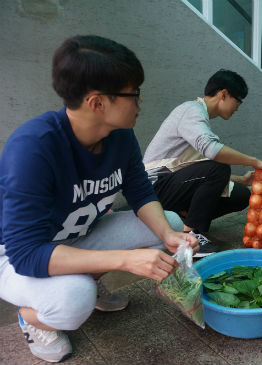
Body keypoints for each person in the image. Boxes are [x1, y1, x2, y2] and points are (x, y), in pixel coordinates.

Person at [0, 35, 199, 363]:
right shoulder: (33, 149)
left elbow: (139, 190)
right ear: (97, 103)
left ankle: (87, 277)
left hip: (75, 236)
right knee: (75, 298)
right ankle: (32, 317)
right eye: (134, 94)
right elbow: (27, 253)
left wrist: (167, 235)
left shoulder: (119, 135)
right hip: (15, 255)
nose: (139, 104)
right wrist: (123, 260)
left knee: (172, 224)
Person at [143, 69, 262, 256]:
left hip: (171, 184)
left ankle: (181, 216)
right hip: (153, 190)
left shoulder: (199, 117)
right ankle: (190, 235)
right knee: (218, 167)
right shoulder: (191, 110)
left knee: (241, 195)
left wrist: (241, 179)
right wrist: (256, 162)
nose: (237, 108)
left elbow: (195, 168)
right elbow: (212, 152)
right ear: (223, 94)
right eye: (238, 101)